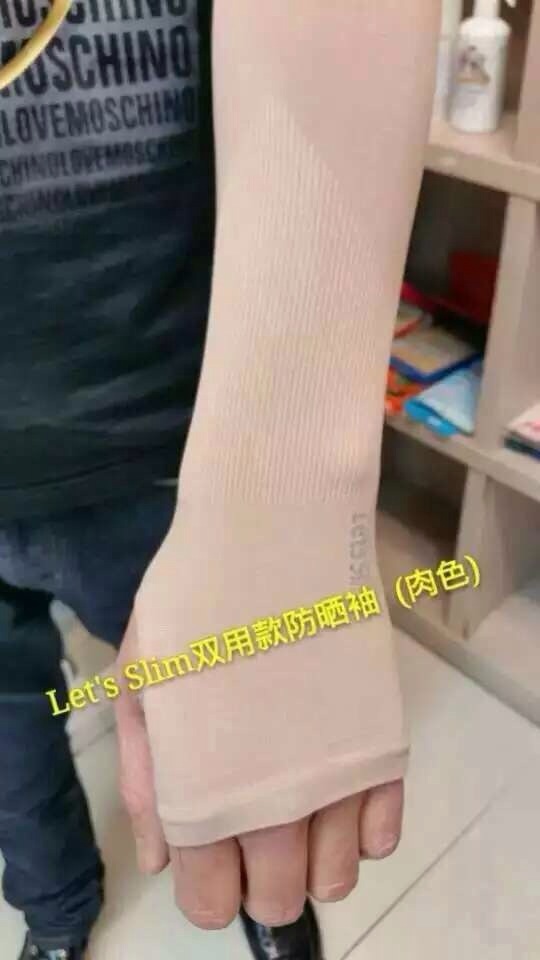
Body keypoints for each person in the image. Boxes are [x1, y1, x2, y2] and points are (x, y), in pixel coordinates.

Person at [0, 1, 440, 958]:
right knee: (6, 732)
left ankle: (266, 907)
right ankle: (55, 911)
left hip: (156, 429)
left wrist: (284, 479)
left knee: (233, 731)